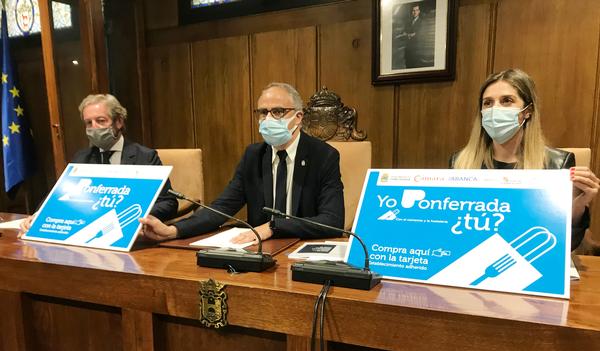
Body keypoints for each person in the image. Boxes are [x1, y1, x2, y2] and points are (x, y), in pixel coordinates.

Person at [139, 82, 345, 244]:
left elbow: (332, 221)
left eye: (278, 112)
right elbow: (221, 208)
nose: (268, 119)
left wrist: (274, 227)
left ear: (298, 117)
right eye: (263, 112)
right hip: (260, 253)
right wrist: (173, 231)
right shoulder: (253, 156)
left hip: (303, 251)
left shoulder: (324, 156)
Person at [451, 68, 599, 250]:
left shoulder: (557, 164)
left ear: (528, 111)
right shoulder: (460, 163)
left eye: (507, 101)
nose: (495, 109)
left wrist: (578, 207)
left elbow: (565, 246)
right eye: (487, 103)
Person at [20, 94, 178, 233]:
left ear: (119, 122)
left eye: (101, 121)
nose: (94, 128)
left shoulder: (144, 156)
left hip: (129, 231)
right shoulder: (82, 158)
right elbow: (58, 195)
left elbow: (168, 202)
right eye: (89, 123)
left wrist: (135, 217)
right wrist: (38, 215)